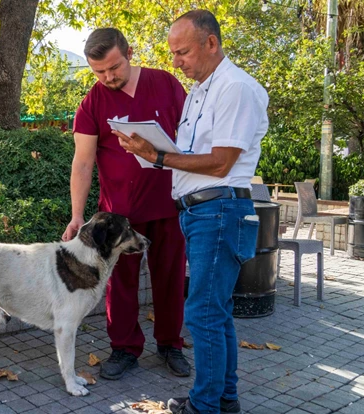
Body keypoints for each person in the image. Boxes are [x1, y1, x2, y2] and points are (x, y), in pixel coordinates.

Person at [116, 10, 269, 414]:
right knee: (214, 314)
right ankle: (223, 399)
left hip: (218, 210)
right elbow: (194, 155)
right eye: (172, 54)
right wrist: (151, 152)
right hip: (202, 212)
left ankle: (204, 406)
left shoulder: (235, 88)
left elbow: (220, 162)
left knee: (201, 312)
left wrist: (159, 156)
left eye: (182, 52)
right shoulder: (201, 91)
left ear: (211, 43)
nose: (176, 62)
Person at [62, 28, 190, 381]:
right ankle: (123, 349)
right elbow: (83, 163)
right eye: (99, 72)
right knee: (119, 284)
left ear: (129, 52)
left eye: (114, 68)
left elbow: (193, 136)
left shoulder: (166, 84)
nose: (108, 77)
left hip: (169, 204)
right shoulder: (92, 102)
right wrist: (77, 215)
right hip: (118, 217)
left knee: (170, 278)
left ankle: (171, 345)